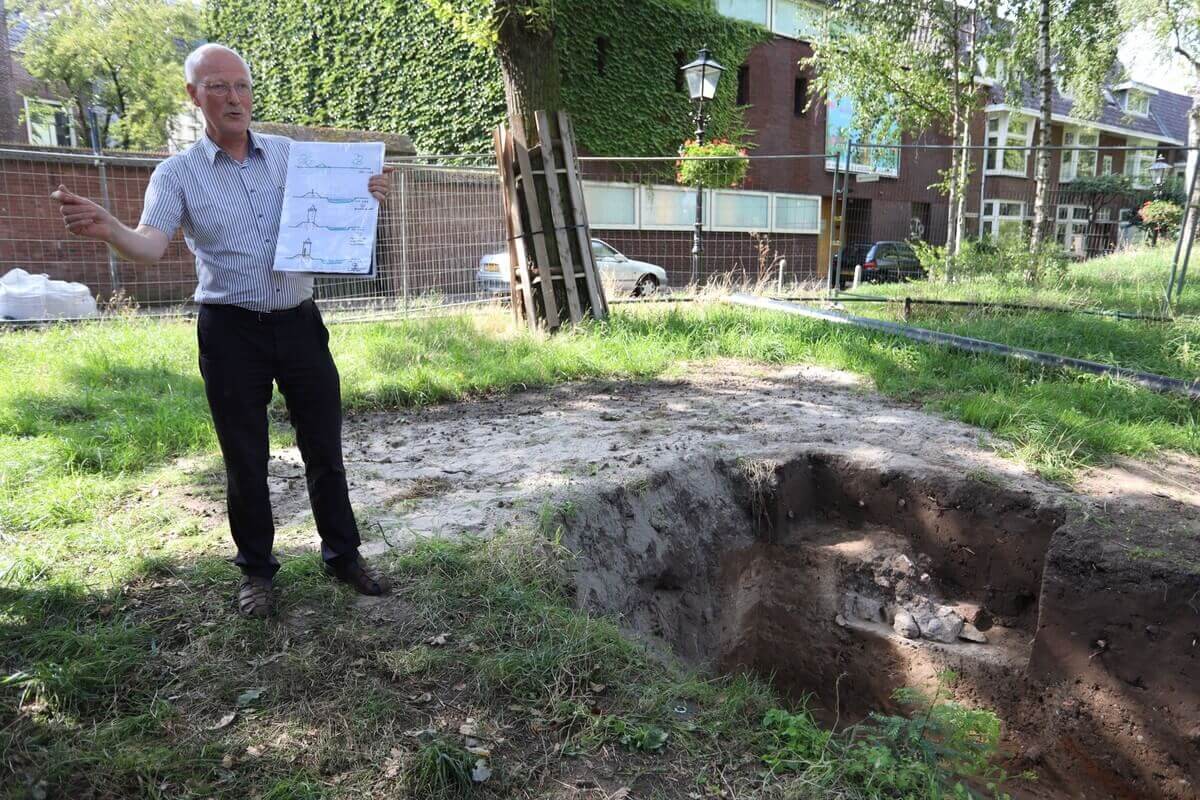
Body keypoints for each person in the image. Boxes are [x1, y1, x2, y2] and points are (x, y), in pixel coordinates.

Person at [50, 43, 392, 618]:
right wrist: (111, 228)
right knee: (244, 457)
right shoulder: (176, 174)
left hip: (300, 323)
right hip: (230, 331)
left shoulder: (292, 157)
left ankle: (343, 556)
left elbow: (336, 209)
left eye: (241, 86)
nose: (234, 98)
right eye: (217, 87)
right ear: (193, 96)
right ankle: (257, 572)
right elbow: (150, 247)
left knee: (324, 450)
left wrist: (367, 196)